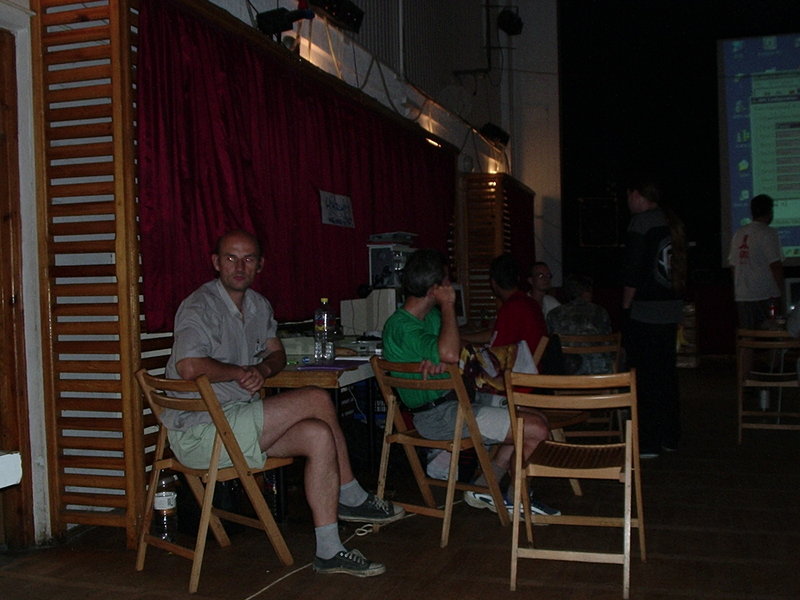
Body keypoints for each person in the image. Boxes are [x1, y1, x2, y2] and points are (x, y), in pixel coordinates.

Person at [162, 229, 402, 578]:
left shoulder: (259, 306)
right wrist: (239, 372)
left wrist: (262, 369)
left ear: (260, 265)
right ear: (216, 262)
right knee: (317, 398)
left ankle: (329, 550)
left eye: (248, 259)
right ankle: (350, 495)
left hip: (236, 424)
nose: (239, 266)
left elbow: (277, 353)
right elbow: (188, 366)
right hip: (201, 433)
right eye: (231, 258)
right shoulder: (199, 306)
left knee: (318, 435)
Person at [382, 249, 558, 516]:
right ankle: (517, 499)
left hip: (459, 402)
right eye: (446, 280)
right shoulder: (401, 326)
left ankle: (484, 487)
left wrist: (445, 355)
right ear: (435, 289)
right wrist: (448, 309)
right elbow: (452, 353)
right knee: (535, 429)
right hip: (438, 416)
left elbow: (455, 349)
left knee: (536, 417)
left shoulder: (430, 317)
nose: (451, 285)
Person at [621, 179, 687, 458]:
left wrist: (626, 308)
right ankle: (670, 437)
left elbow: (633, 271)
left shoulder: (641, 222)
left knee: (645, 379)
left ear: (637, 194)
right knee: (666, 375)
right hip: (671, 309)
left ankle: (648, 442)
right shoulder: (672, 221)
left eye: (628, 196)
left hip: (646, 312)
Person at [728, 194, 784, 329]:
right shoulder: (768, 233)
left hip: (743, 296)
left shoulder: (739, 233)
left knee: (748, 336)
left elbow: (733, 265)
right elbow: (775, 265)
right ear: (769, 212)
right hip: (765, 294)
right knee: (770, 333)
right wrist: (781, 291)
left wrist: (740, 287)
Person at [547, 274, 614, 374]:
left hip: (567, 371)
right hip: (600, 370)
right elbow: (608, 341)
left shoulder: (554, 314)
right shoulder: (600, 312)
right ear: (586, 291)